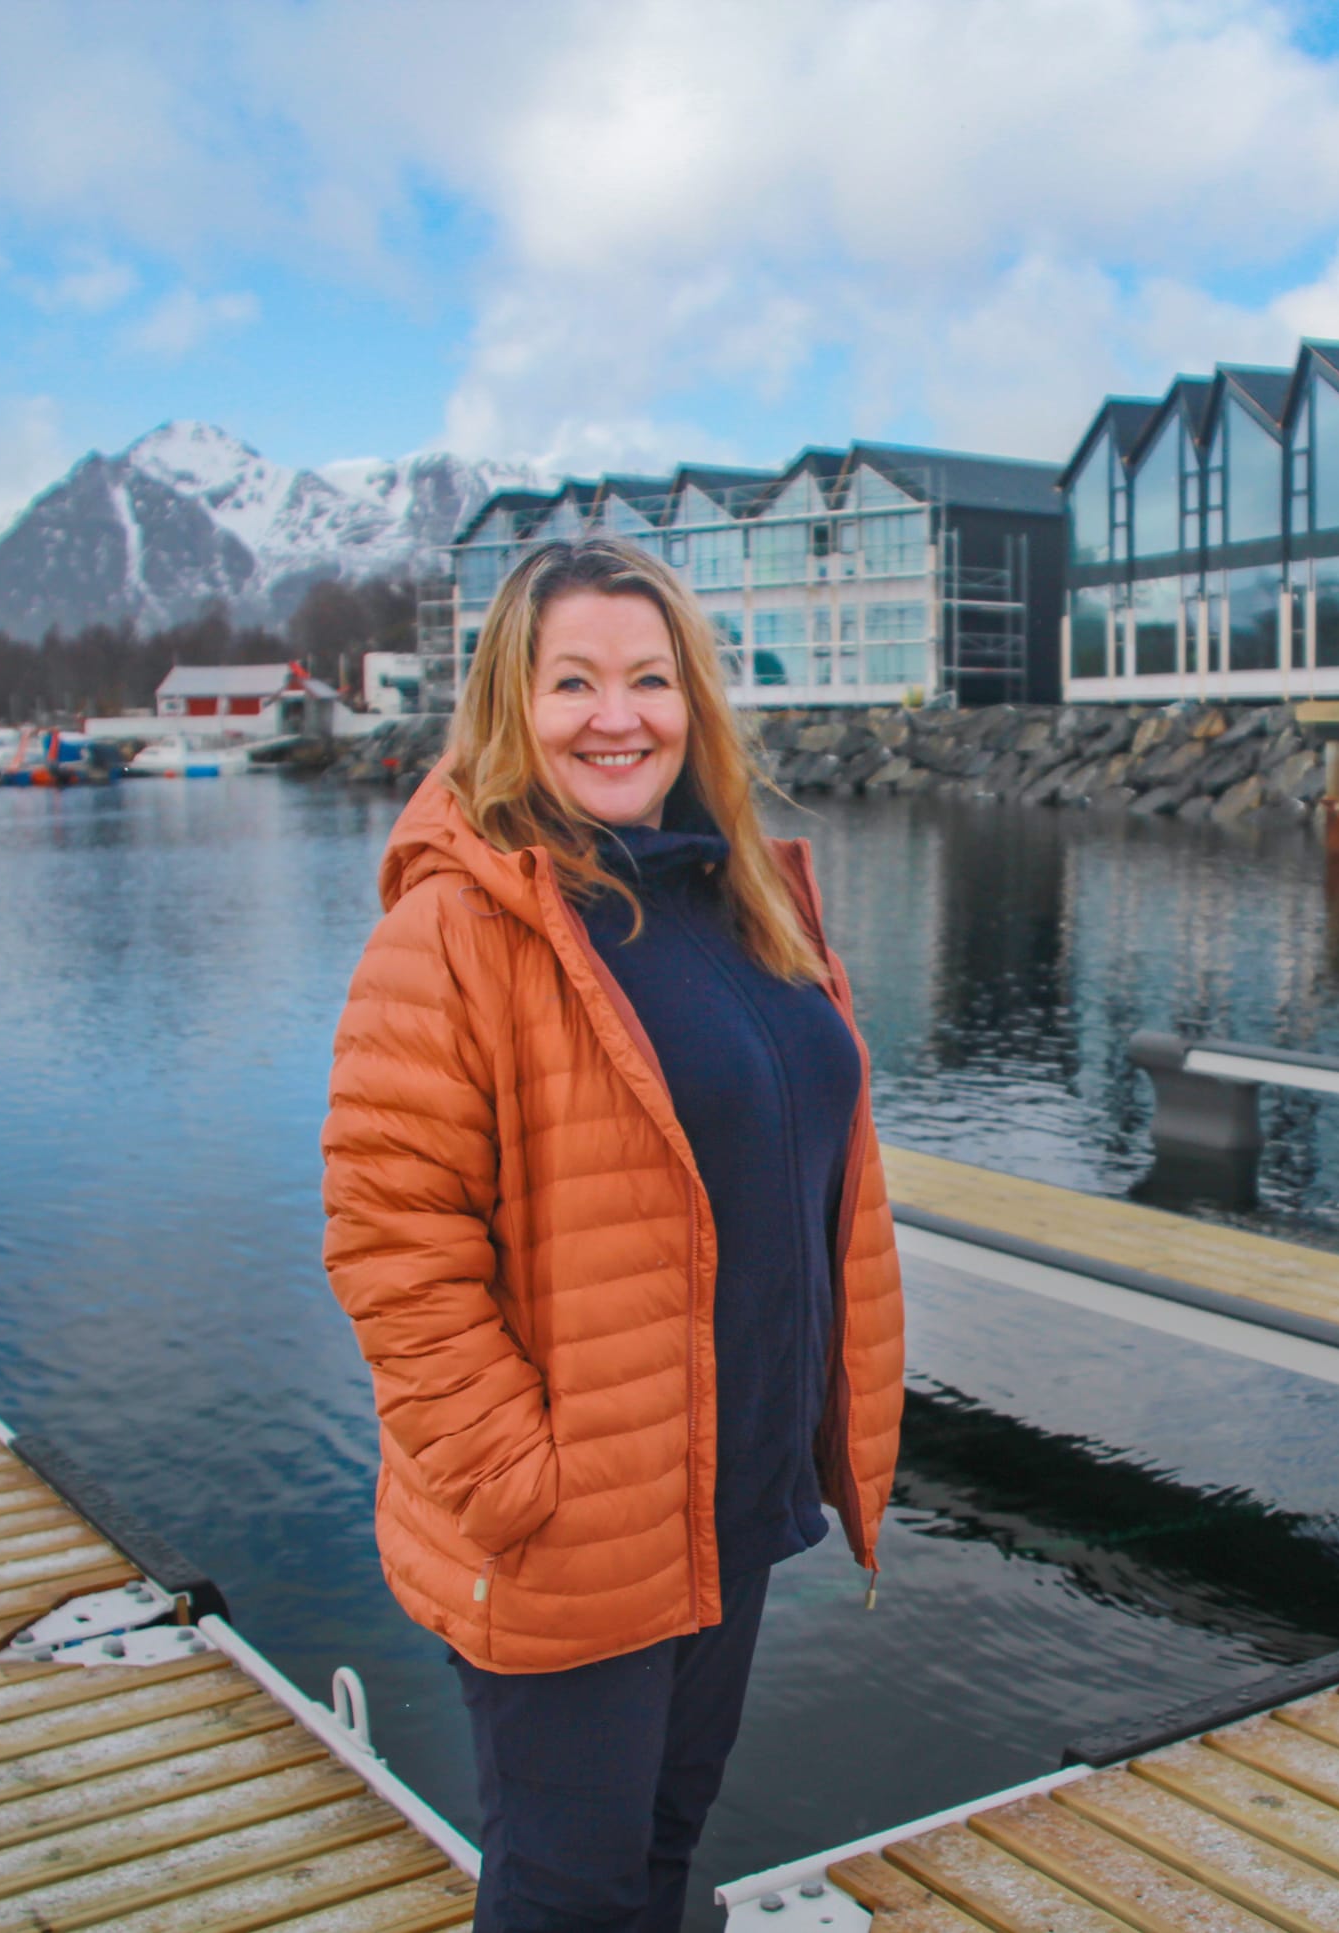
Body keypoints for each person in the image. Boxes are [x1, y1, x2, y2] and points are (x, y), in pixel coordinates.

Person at [321, 537, 904, 1931]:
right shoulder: (454, 929)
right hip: (574, 1524)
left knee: (659, 1854)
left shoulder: (745, 898)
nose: (616, 715)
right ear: (510, 705)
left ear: (693, 700)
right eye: (573, 681)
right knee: (566, 1889)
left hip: (727, 1493)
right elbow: (393, 1242)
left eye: (650, 678)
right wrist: (522, 1486)